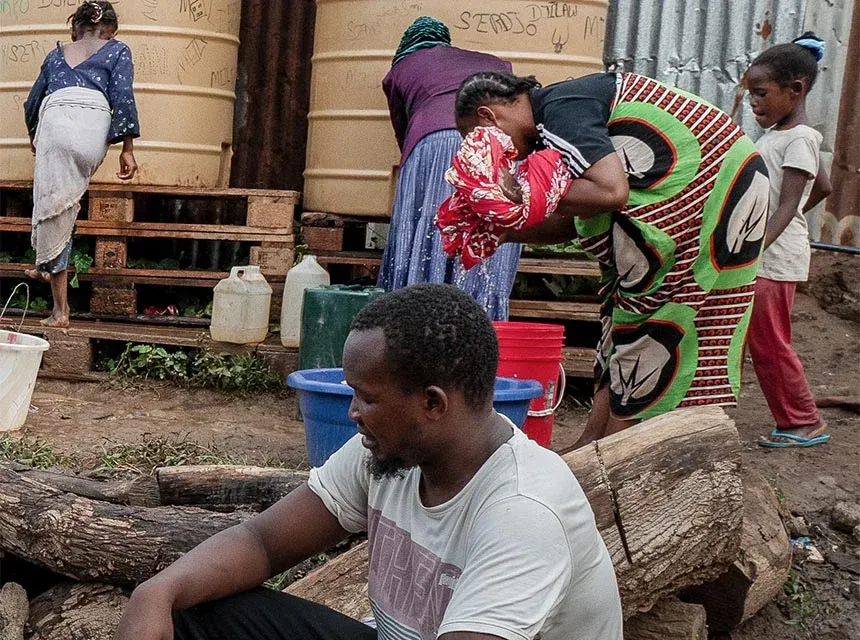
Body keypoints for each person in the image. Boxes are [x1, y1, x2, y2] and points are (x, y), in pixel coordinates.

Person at [114, 284, 623, 640]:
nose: (353, 412)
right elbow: (262, 543)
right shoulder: (392, 453)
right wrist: (155, 594)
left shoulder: (523, 511)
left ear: (433, 403)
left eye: (367, 398)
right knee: (193, 612)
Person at [454, 70, 769, 448]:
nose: (498, 157)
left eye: (476, 137)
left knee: (652, 313)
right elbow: (577, 216)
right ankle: (593, 441)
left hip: (709, 178)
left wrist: (515, 194)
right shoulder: (553, 127)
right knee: (618, 312)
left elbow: (609, 191)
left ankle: (619, 451)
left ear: (488, 117)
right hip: (722, 173)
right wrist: (505, 231)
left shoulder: (560, 110)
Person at [378, 17, 522, 320]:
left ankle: (415, 317)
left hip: (434, 143)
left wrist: (413, 172)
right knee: (489, 225)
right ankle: (482, 320)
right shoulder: (497, 63)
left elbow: (403, 128)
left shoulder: (402, 67)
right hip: (497, 142)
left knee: (429, 222)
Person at [22, 1, 139, 328]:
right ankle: (46, 264)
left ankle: (59, 309)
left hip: (57, 124)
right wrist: (127, 149)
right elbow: (123, 97)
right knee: (67, 200)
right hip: (93, 130)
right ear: (110, 31)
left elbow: (33, 102)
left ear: (75, 30)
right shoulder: (118, 50)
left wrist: (34, 135)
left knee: (54, 205)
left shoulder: (56, 55)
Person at [744, 33, 832, 448]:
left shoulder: (799, 138)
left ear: (794, 90)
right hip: (771, 251)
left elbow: (788, 204)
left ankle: (803, 421)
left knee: (769, 343)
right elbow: (823, 186)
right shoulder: (784, 135)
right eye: (750, 94)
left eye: (761, 93)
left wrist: (753, 247)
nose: (752, 103)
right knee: (761, 340)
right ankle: (797, 417)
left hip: (774, 258)